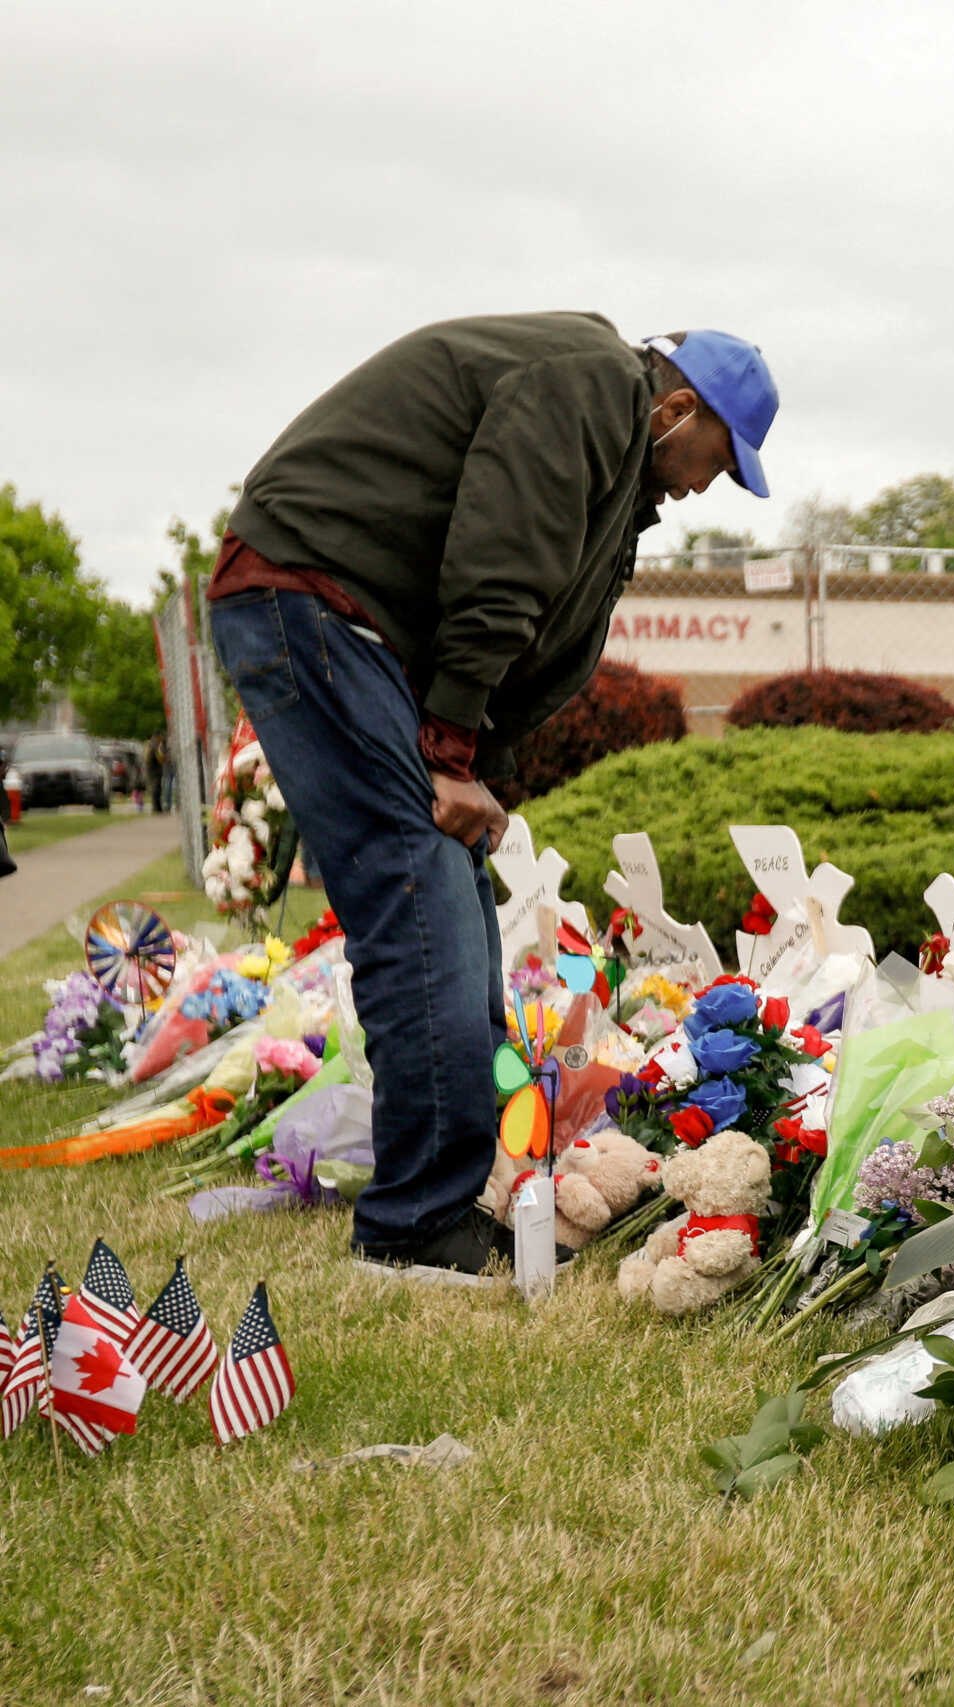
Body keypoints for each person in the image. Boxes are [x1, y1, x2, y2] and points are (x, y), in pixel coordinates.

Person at [205, 314, 777, 1282]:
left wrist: (468, 757)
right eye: (713, 462)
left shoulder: (607, 441)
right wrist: (451, 749)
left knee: (448, 908)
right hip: (316, 600)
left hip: (353, 626)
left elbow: (541, 614)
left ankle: (433, 1203)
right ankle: (413, 1230)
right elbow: (501, 556)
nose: (701, 488)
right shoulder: (587, 383)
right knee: (420, 908)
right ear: (673, 409)